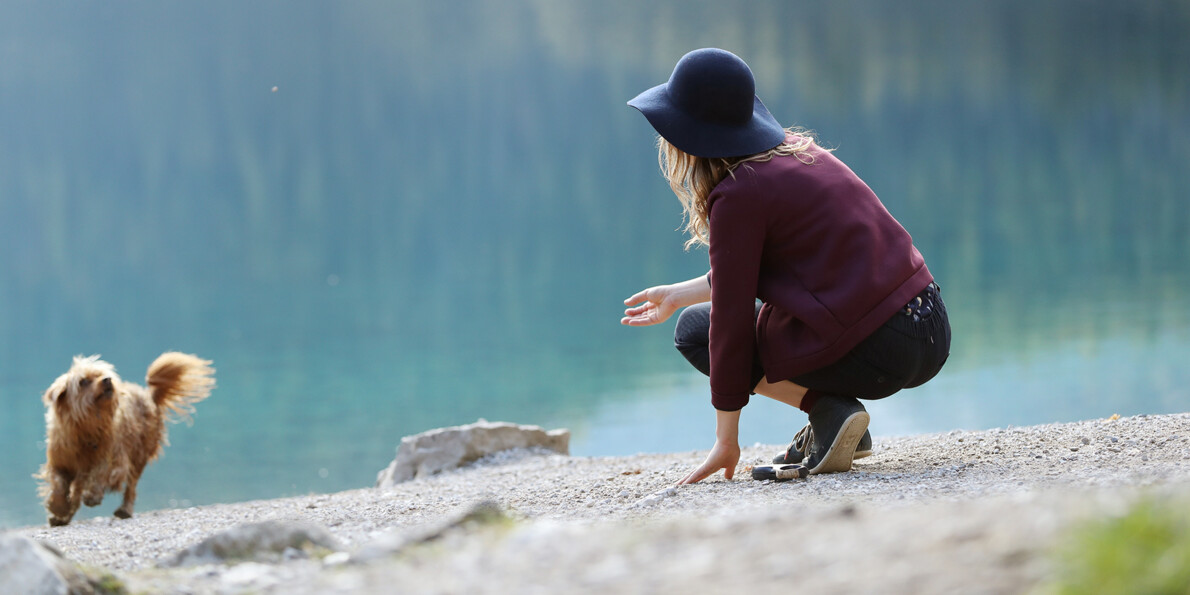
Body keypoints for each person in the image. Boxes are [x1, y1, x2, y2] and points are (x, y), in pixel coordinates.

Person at [622, 48, 951, 485]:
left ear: (689, 135)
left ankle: (829, 411)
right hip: (928, 326)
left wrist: (726, 439)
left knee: (695, 332)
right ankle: (840, 427)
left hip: (883, 347)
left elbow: (732, 323)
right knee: (702, 315)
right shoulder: (797, 152)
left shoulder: (739, 193)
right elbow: (750, 273)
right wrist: (679, 294)